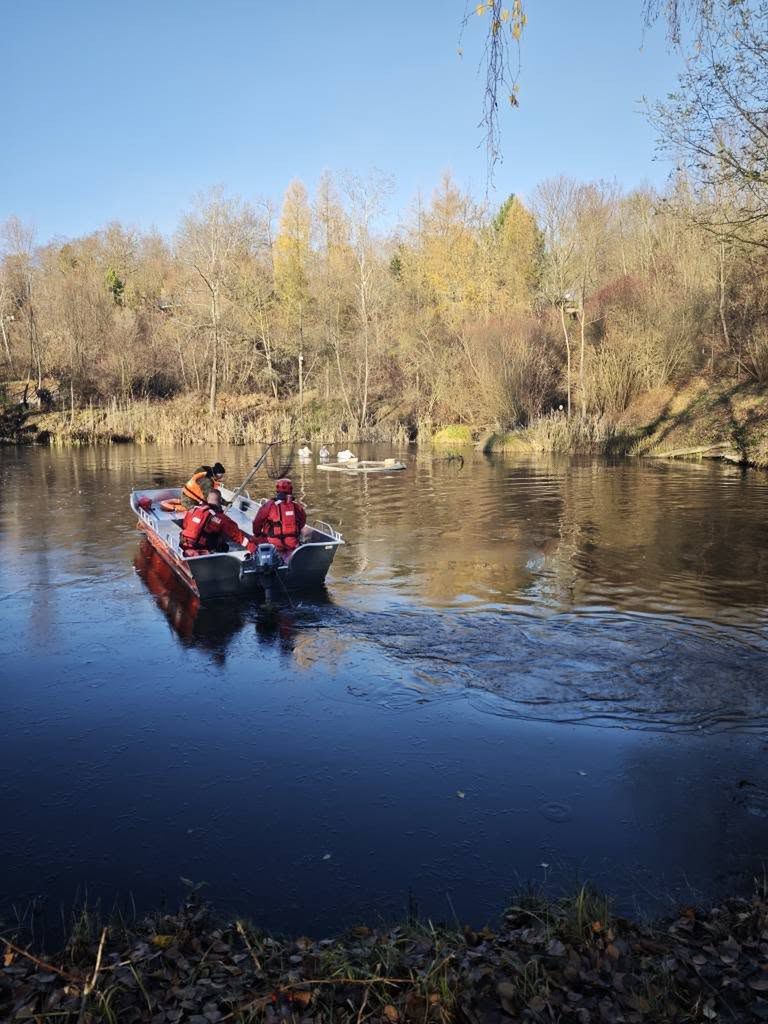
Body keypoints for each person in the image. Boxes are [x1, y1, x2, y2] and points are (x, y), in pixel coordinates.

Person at [180, 489, 256, 557]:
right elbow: (237, 536)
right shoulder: (220, 518)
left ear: (207, 499)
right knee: (225, 547)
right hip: (202, 551)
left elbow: (184, 525)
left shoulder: (193, 510)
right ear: (220, 501)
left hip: (184, 546)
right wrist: (252, 547)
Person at [251, 478, 306, 557]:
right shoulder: (296, 506)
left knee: (253, 540)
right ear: (291, 490)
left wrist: (257, 534)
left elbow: (257, 522)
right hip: (292, 543)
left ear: (277, 490)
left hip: (273, 543)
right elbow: (302, 522)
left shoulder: (269, 505)